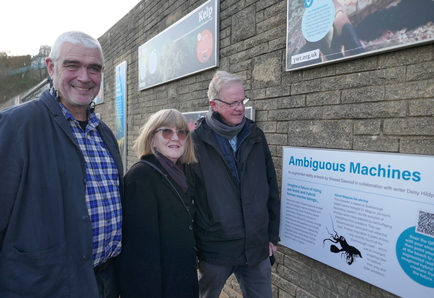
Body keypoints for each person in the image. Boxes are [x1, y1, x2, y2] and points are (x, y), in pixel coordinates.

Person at [0, 31, 123, 298]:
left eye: (94, 68)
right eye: (72, 65)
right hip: (46, 287)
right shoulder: (15, 127)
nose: (84, 77)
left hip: (105, 283)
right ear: (51, 67)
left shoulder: (105, 134)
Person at [191, 71, 281, 298]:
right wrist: (192, 248)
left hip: (256, 247)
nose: (239, 108)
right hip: (215, 249)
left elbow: (270, 187)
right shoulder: (196, 141)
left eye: (242, 101)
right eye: (232, 103)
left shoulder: (255, 135)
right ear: (214, 104)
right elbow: (187, 199)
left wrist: (271, 235)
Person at [119, 109, 199, 297]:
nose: (175, 137)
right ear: (152, 139)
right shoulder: (141, 178)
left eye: (181, 132)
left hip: (180, 282)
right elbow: (139, 256)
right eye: (166, 131)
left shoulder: (180, 172)